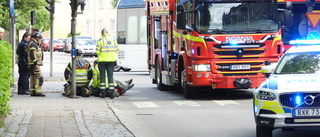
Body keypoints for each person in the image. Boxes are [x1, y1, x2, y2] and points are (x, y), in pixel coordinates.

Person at [96, 28, 119, 99]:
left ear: (102, 33)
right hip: (111, 61)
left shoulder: (100, 41)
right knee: (110, 77)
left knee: (102, 77)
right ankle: (112, 93)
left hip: (102, 61)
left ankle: (103, 93)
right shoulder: (114, 40)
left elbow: (97, 51)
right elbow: (117, 50)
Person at [27, 32, 45, 97]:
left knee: (33, 78)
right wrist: (35, 63)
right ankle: (38, 92)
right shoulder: (33, 44)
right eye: (39, 38)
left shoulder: (32, 43)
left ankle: (33, 91)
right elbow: (32, 54)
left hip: (32, 64)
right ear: (37, 38)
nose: (40, 40)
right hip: (34, 64)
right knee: (39, 78)